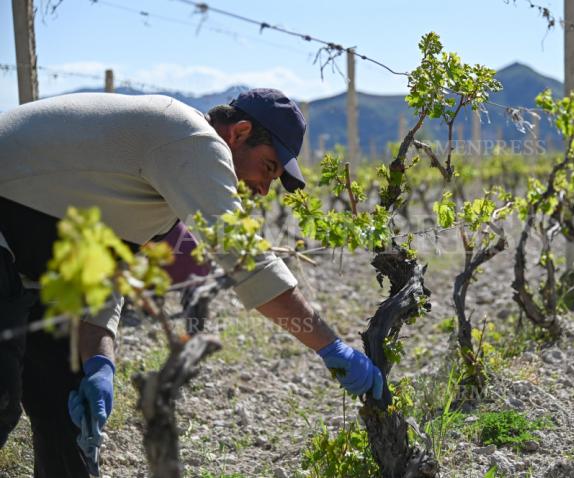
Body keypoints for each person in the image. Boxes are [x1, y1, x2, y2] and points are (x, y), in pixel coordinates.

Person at [0, 88, 383, 477]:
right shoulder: (194, 140)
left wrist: (99, 362)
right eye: (268, 168)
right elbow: (248, 262)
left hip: (24, 260)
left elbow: (105, 269)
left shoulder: (163, 177)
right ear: (239, 133)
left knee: (65, 407)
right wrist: (331, 347)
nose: (264, 189)